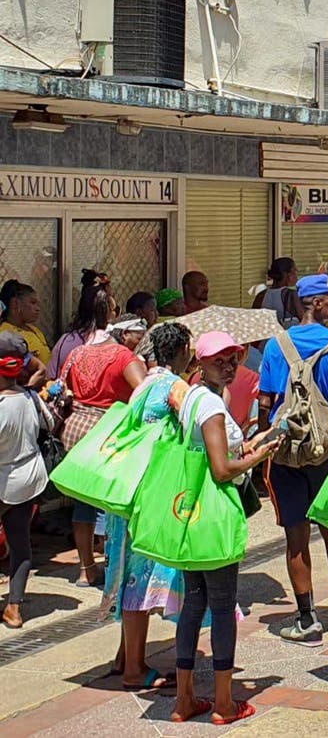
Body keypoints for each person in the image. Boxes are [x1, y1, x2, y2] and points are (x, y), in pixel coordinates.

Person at [170, 331, 283, 726]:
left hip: (190, 515)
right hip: (214, 518)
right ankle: (223, 703)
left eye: (234, 357)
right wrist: (259, 456)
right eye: (219, 358)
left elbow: (213, 454)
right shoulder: (210, 405)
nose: (229, 364)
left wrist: (255, 443)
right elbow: (221, 470)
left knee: (193, 604)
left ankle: (185, 700)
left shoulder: (194, 398)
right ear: (199, 363)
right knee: (220, 608)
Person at [258, 274, 328, 645]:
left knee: (296, 533)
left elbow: (266, 404)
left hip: (286, 449)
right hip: (327, 446)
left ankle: (306, 618)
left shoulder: (277, 346)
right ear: (316, 302)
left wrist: (264, 447)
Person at [100, 322, 192, 689]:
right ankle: (135, 670)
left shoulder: (143, 386)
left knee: (128, 577)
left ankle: (126, 657)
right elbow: (194, 427)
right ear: (182, 351)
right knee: (140, 580)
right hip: (150, 494)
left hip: (128, 492)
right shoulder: (173, 386)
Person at [59, 308, 148, 588]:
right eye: (139, 334)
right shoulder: (123, 356)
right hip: (108, 433)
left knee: (83, 502)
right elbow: (145, 391)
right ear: (124, 334)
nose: (143, 339)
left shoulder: (79, 353)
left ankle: (86, 569)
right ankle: (116, 569)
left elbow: (63, 388)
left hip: (74, 432)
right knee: (115, 501)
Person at [0, 332, 52, 629]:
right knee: (20, 543)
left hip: (5, 481)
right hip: (30, 478)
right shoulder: (30, 398)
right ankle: (14, 608)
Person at [49, 271, 115, 378]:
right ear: (106, 311)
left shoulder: (65, 340)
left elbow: (52, 378)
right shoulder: (111, 340)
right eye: (114, 309)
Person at [0, 283, 50, 366]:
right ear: (15, 303)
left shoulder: (35, 330)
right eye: (33, 303)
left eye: (38, 304)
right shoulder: (6, 335)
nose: (38, 309)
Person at [253, 257, 302, 327]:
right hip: (286, 336)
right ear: (288, 275)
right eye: (295, 271)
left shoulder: (261, 296)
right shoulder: (290, 295)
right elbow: (303, 319)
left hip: (268, 336)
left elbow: (254, 319)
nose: (297, 275)